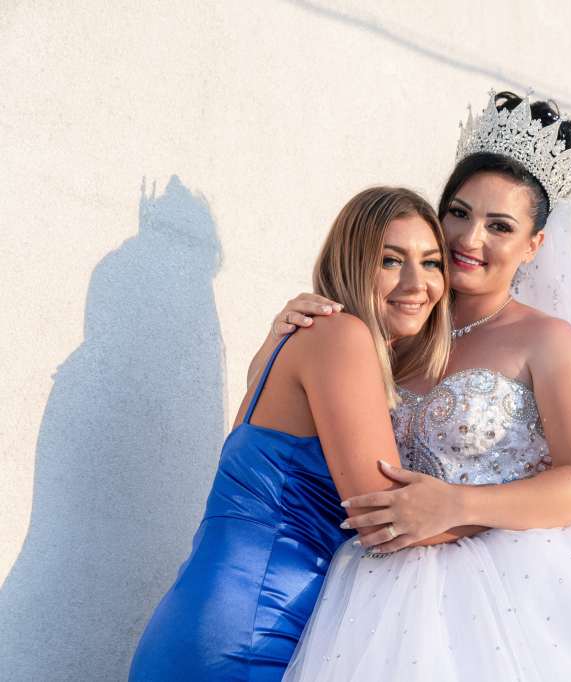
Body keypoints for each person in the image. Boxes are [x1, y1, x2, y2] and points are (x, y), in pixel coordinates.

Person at [279, 92, 571, 681]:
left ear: (534, 245)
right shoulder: (391, 333)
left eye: (499, 226)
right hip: (387, 590)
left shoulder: (547, 340)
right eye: (458, 213)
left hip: (528, 585)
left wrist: (457, 505)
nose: (469, 238)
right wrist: (298, 324)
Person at [129, 187, 457, 681]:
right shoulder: (341, 336)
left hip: (222, 614)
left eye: (431, 263)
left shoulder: (309, 339)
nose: (417, 283)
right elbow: (383, 517)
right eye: (391, 260)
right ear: (351, 264)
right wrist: (509, 516)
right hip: (252, 630)